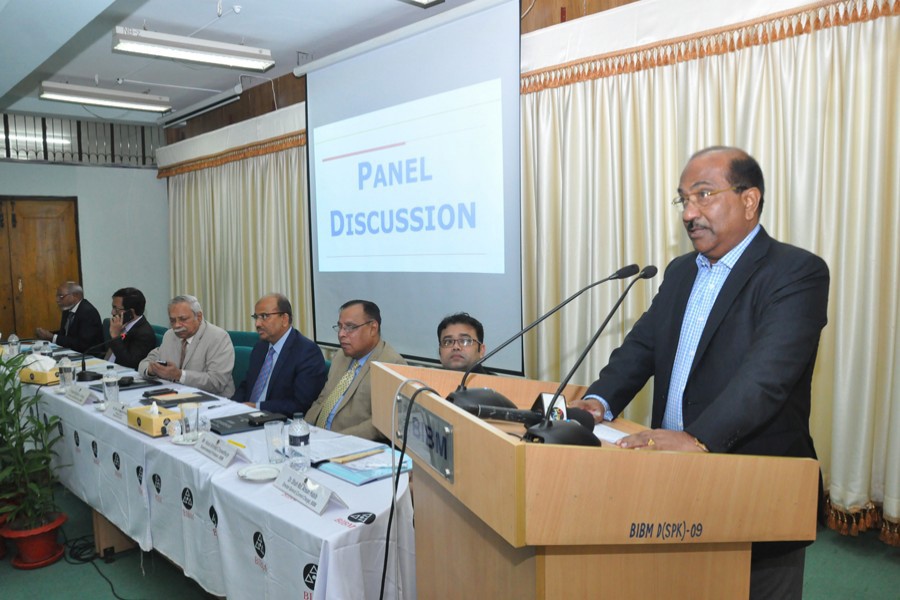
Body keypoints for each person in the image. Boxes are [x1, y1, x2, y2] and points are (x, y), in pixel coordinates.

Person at [570, 146, 829, 599]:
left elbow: (767, 376)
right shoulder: (680, 270)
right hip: (668, 478)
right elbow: (643, 346)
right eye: (683, 200)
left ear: (749, 200)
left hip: (756, 484)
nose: (689, 213)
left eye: (704, 195)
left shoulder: (796, 272)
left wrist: (699, 437)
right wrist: (599, 401)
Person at [305, 300, 406, 441]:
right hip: (317, 438)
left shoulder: (392, 365)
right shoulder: (341, 355)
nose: (341, 334)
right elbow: (323, 399)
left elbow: (381, 424)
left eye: (350, 327)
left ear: (373, 328)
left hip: (348, 445)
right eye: (340, 327)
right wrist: (302, 428)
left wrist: (334, 439)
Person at [231, 293, 327, 416]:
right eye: (256, 317)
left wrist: (257, 407)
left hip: (277, 423)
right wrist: (231, 406)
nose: (257, 324)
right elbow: (246, 386)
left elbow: (301, 404)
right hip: (247, 416)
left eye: (264, 316)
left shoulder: (307, 352)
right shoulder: (260, 347)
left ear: (284, 319)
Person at [139, 295, 235, 397]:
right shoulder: (170, 335)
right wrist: (151, 370)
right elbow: (146, 362)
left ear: (198, 317)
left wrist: (180, 375)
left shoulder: (218, 337)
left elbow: (216, 382)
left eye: (183, 319)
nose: (177, 325)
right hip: (176, 395)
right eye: (172, 320)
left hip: (213, 400)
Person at [34, 282, 104, 355]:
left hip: (88, 356)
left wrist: (53, 337)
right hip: (71, 352)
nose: (57, 300)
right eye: (57, 296)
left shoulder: (88, 312)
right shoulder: (67, 310)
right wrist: (48, 334)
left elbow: (83, 344)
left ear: (75, 295)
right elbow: (66, 335)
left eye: (61, 296)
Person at [106, 287, 156, 369]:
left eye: (116, 309)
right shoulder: (121, 326)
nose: (112, 312)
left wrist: (115, 337)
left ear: (131, 312)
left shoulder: (144, 334)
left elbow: (130, 364)